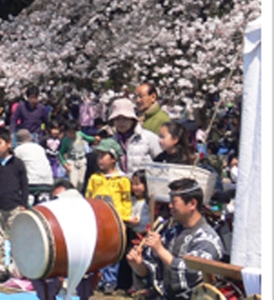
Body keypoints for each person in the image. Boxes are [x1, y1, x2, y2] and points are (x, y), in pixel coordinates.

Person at [127, 178, 225, 299]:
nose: (170, 206)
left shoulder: (207, 239)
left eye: (174, 202)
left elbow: (192, 272)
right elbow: (152, 269)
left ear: (192, 204)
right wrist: (138, 265)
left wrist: (160, 249)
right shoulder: (170, 233)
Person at [85, 138, 132, 294]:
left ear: (114, 158)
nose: (100, 160)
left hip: (114, 223)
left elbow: (126, 202)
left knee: (112, 253)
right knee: (96, 250)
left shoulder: (123, 180)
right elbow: (89, 197)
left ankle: (109, 281)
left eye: (103, 156)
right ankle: (94, 278)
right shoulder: (95, 178)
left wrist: (123, 220)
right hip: (96, 220)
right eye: (98, 156)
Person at [0, 127, 28, 283]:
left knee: (15, 236)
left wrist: (23, 203)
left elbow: (24, 184)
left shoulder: (17, 164)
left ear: (9, 144)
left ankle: (15, 263)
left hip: (14, 205)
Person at [109, 97, 161, 176]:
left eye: (125, 118)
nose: (120, 122)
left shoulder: (149, 138)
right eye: (117, 119)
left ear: (132, 119)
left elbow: (162, 165)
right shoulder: (111, 141)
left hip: (145, 186)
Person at [13, 128, 55, 206]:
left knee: (28, 205)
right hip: (48, 181)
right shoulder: (40, 148)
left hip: (31, 182)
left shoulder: (18, 150)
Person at [59, 119, 93, 192]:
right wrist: (65, 164)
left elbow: (89, 138)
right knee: (73, 182)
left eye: (73, 132)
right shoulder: (65, 140)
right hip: (72, 161)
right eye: (69, 132)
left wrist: (95, 139)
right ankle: (73, 195)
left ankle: (78, 193)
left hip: (81, 160)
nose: (71, 134)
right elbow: (61, 153)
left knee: (81, 182)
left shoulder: (80, 134)